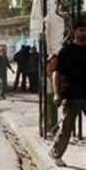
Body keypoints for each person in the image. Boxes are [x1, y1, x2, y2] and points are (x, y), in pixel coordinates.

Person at [50, 18, 86, 167]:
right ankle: (56, 153)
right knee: (67, 127)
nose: (84, 33)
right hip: (72, 94)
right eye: (81, 30)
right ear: (75, 32)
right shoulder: (67, 51)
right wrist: (56, 93)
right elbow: (56, 73)